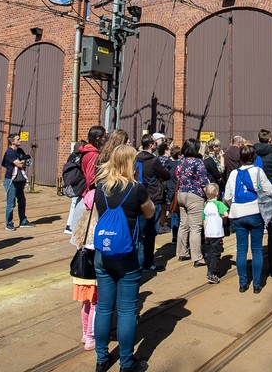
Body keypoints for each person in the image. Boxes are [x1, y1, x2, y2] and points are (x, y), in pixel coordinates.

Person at [93, 144, 154, 372]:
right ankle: (126, 362)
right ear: (130, 163)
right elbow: (149, 213)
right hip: (127, 252)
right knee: (127, 309)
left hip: (103, 253)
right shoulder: (136, 189)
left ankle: (102, 358)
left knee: (104, 307)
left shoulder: (101, 187)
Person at [224, 144, 272, 293]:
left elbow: (227, 196)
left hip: (238, 214)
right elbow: (270, 190)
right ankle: (257, 285)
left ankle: (242, 283)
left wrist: (232, 205)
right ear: (254, 157)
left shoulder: (233, 174)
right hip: (255, 212)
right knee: (257, 249)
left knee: (241, 250)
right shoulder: (258, 172)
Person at [136, 133, 170, 272]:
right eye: (155, 144)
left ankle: (139, 260)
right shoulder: (153, 161)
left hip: (139, 195)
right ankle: (148, 263)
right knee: (150, 232)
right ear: (151, 145)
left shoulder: (135, 158)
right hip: (153, 197)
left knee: (140, 232)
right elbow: (166, 175)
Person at [253, 129, 272, 278]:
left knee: (257, 232)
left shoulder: (253, 154)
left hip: (257, 197)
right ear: (270, 139)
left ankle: (256, 265)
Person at [174, 137, 209, 267]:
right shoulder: (198, 162)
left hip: (181, 194)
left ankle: (181, 252)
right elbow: (203, 180)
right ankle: (197, 257)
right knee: (195, 227)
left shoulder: (181, 161)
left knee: (184, 224)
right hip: (195, 195)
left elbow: (176, 175)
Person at [65, 127, 106, 234]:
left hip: (85, 193)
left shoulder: (86, 151)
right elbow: (91, 177)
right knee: (87, 229)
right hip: (89, 194)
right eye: (104, 136)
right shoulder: (93, 154)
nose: (106, 138)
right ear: (98, 138)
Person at [72, 191, 99, 351]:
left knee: (85, 304)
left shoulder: (83, 222)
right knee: (96, 304)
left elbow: (77, 243)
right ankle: (91, 336)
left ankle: (84, 333)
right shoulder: (97, 223)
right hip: (93, 271)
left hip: (81, 273)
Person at [1, 134, 34, 231]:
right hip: (11, 180)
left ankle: (23, 220)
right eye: (18, 139)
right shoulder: (9, 153)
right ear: (12, 142)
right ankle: (9, 223)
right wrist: (23, 160)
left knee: (22, 201)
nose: (20, 140)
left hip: (20, 179)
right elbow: (19, 164)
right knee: (11, 203)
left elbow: (26, 162)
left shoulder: (20, 151)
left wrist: (24, 160)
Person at [202, 183, 227, 284]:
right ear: (217, 193)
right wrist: (220, 216)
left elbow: (204, 220)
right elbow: (226, 214)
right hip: (216, 233)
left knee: (209, 253)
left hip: (208, 233)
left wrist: (205, 231)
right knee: (216, 253)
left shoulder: (206, 205)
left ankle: (211, 269)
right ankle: (211, 273)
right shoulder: (219, 204)